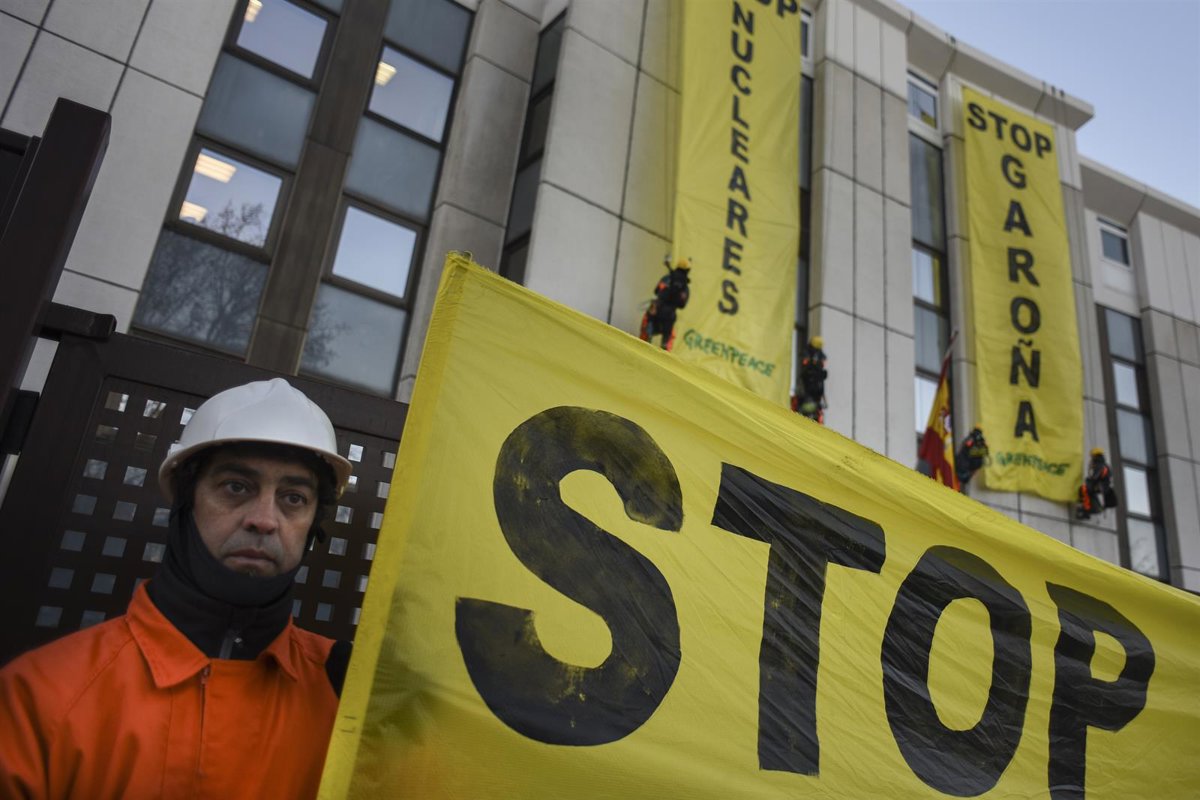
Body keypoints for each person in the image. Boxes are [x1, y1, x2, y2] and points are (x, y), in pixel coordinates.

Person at [0, 378, 354, 799]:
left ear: (313, 525)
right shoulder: (41, 694)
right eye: (236, 487)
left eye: (293, 498)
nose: (264, 519)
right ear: (186, 501)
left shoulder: (349, 693)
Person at [639, 256, 691, 350]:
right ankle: (664, 352)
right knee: (667, 341)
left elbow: (656, 291)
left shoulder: (667, 278)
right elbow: (682, 305)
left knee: (645, 333)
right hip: (669, 316)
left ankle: (640, 348)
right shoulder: (685, 286)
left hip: (656, 311)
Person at [793, 335, 827, 423]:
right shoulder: (807, 353)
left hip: (816, 393)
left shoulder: (819, 354)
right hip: (807, 390)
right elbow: (805, 362)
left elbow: (823, 361)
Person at [1076, 447, 1117, 519]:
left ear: (1095, 456)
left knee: (1084, 489)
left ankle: (1087, 509)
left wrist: (1089, 481)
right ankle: (1089, 508)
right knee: (1089, 492)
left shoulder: (1099, 465)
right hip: (1103, 486)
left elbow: (1095, 477)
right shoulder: (1104, 465)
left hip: (1100, 486)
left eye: (1092, 456)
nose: (1091, 458)